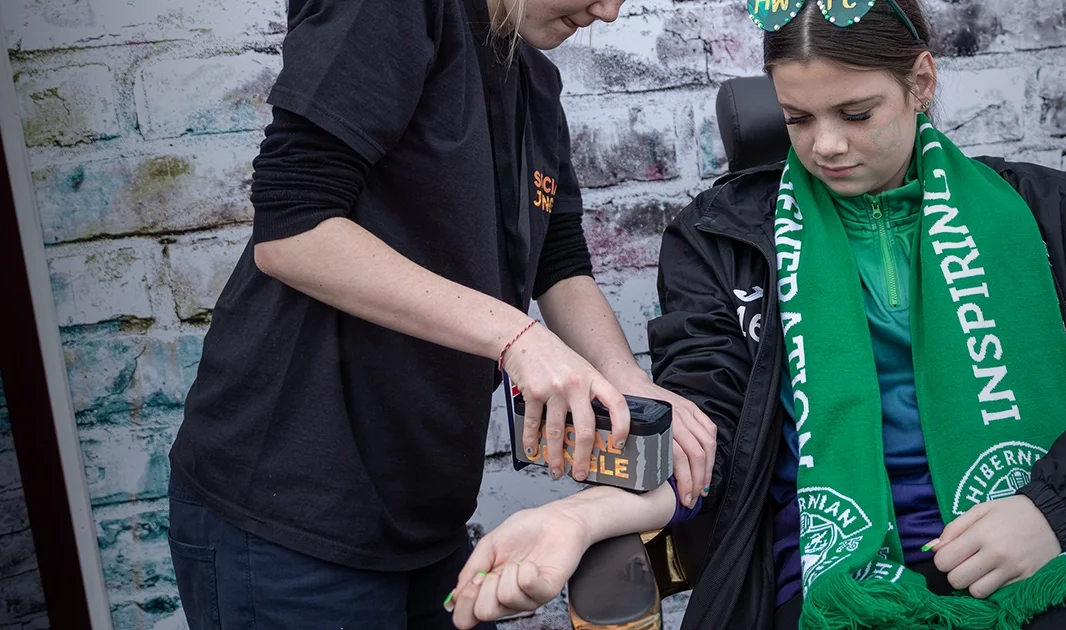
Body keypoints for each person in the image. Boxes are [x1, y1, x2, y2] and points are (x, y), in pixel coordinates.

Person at [445, 1, 1066, 629]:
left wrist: (1054, 509)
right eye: (798, 119)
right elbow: (708, 436)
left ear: (922, 83)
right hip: (837, 580)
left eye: (856, 114)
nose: (825, 144)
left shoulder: (1044, 213)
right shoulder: (723, 242)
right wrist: (573, 518)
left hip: (1049, 549)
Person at [163, 1, 720, 627]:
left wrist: (630, 382)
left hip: (425, 513)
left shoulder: (533, 79)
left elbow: (557, 262)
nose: (610, 11)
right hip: (287, 514)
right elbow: (293, 228)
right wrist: (518, 339)